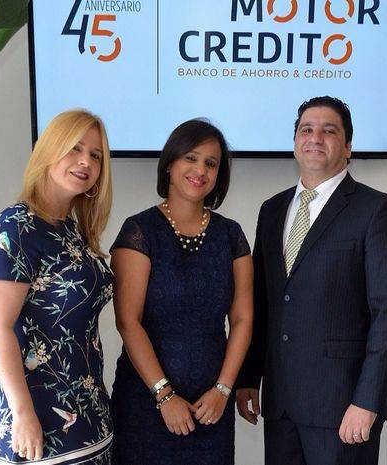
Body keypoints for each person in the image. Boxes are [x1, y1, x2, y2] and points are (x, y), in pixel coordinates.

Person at [236, 96, 387, 465]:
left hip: (344, 407)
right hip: (281, 404)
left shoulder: (377, 211)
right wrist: (249, 377)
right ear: (296, 141)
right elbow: (266, 302)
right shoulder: (272, 210)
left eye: (329, 131)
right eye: (306, 129)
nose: (315, 137)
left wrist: (368, 401)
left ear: (347, 146)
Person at [109, 119, 253, 465]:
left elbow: (243, 318)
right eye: (191, 158)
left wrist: (223, 390)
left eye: (211, 163)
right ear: (170, 164)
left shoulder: (231, 235)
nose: (200, 170)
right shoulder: (139, 231)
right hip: (145, 403)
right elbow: (128, 322)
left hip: (211, 408)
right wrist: (164, 395)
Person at [0, 110, 114, 464]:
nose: (86, 160)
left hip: (91, 419)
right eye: (74, 148)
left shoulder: (72, 230)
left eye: (96, 155)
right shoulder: (15, 227)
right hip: (39, 427)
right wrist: (22, 415)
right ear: (48, 150)